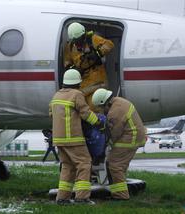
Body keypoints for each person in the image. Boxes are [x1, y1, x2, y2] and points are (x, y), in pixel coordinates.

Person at [49, 69, 103, 205]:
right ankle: (82, 198)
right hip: (73, 138)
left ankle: (62, 198)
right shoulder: (77, 94)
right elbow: (86, 113)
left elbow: (51, 114)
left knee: (68, 166)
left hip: (59, 139)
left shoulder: (56, 95)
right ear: (78, 83)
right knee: (84, 164)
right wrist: (98, 122)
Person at [92, 88, 146, 200]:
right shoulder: (118, 102)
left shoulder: (115, 112)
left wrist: (102, 148)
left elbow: (113, 133)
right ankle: (119, 192)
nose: (101, 111)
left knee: (114, 165)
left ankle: (121, 196)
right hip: (132, 136)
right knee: (118, 166)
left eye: (101, 108)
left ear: (106, 103)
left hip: (129, 138)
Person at [64, 22, 114, 110]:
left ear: (84, 35)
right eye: (75, 41)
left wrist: (97, 54)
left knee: (96, 106)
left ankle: (99, 122)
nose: (78, 43)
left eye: (79, 39)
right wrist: (75, 70)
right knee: (83, 107)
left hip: (98, 81)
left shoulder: (92, 39)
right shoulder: (70, 46)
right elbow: (67, 62)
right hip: (82, 83)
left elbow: (109, 45)